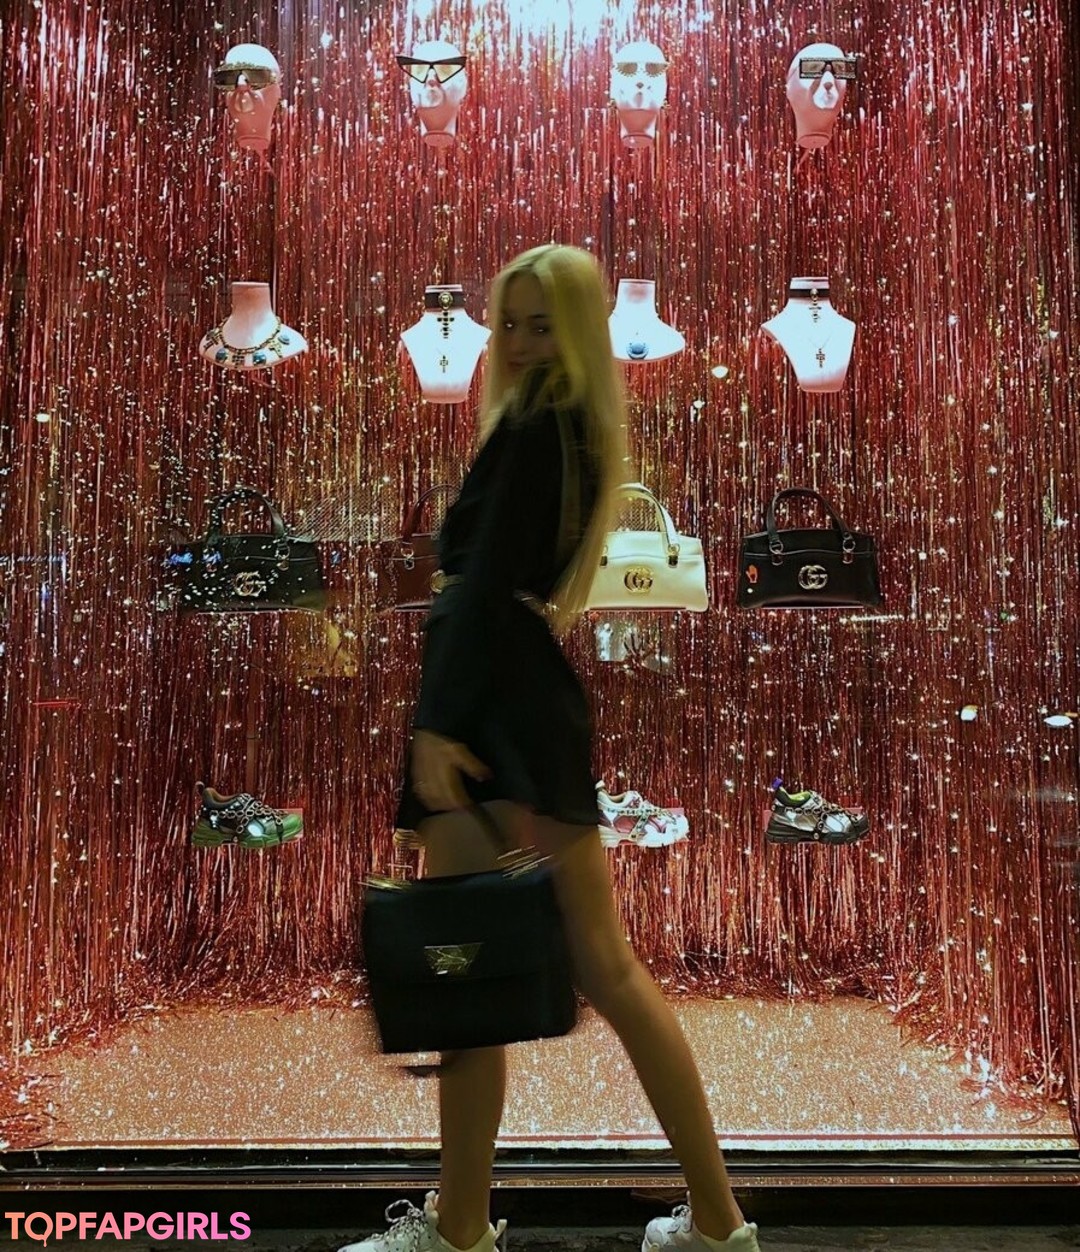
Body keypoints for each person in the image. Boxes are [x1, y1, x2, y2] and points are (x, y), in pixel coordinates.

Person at [343, 245, 761, 1252]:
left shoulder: (537, 428)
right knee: (587, 971)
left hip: (489, 704)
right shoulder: (572, 428)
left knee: (478, 972)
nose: (524, 343)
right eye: (513, 324)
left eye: (543, 325)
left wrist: (438, 723)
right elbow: (497, 588)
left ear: (575, 332)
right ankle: (714, 1223)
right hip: (522, 697)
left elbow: (480, 588)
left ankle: (463, 1229)